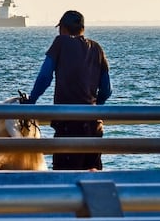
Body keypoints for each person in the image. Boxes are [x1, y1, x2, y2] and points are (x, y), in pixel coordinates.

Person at [21, 9, 111, 170]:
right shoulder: (97, 48)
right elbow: (106, 90)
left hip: (69, 126)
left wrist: (31, 101)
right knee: (92, 176)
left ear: (62, 27)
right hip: (95, 126)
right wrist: (96, 108)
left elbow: (45, 77)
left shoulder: (60, 42)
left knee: (65, 179)